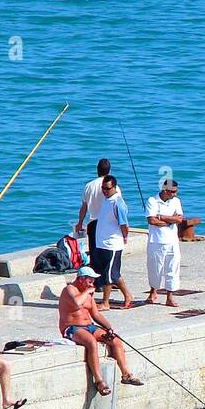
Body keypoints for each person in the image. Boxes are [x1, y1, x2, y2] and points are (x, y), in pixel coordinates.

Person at [58, 266, 143, 396]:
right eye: (90, 281)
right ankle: (99, 381)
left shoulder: (88, 292)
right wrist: (87, 292)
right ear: (81, 279)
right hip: (72, 327)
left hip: (90, 326)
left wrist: (109, 327)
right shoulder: (69, 290)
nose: (93, 284)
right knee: (91, 342)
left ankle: (126, 374)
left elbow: (96, 314)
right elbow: (76, 304)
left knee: (115, 340)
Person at [145, 178, 191, 307]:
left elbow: (180, 219)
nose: (175, 194)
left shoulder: (176, 201)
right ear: (165, 190)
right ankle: (153, 291)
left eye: (176, 191)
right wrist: (170, 220)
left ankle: (170, 297)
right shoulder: (152, 201)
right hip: (156, 241)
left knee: (172, 268)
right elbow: (151, 220)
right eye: (172, 192)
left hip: (172, 241)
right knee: (155, 268)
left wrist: (161, 217)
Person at [94, 174, 134, 310]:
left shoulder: (118, 203)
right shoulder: (107, 200)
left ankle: (105, 302)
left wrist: (125, 237)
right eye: (103, 188)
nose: (105, 191)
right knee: (113, 273)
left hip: (112, 244)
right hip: (102, 243)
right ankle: (128, 295)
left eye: (107, 189)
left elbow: (124, 225)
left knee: (108, 275)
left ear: (114, 187)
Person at [75, 158, 111, 292]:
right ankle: (108, 280)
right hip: (107, 223)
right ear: (109, 171)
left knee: (95, 254)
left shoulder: (89, 185)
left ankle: (98, 283)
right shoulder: (113, 186)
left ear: (97, 170)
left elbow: (83, 207)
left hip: (92, 223)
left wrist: (79, 222)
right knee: (107, 253)